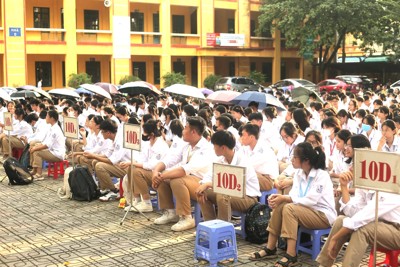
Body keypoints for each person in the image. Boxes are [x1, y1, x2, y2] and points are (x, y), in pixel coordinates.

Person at [316, 135, 400, 267]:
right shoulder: (364, 183)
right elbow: (352, 211)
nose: (352, 168)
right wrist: (344, 186)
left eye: (358, 164)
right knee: (340, 221)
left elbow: (364, 216)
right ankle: (323, 264)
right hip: (377, 224)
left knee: (362, 229)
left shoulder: (387, 185)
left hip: (396, 230)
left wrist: (336, 237)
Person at [249, 142, 336, 266]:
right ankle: (271, 247)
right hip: (305, 210)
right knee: (281, 205)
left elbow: (311, 200)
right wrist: (281, 198)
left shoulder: (321, 175)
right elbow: (294, 195)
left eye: (295, 157)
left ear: (306, 160)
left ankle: (291, 254)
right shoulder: (299, 174)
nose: (292, 160)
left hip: (323, 215)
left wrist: (285, 197)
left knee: (289, 207)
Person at [151, 116, 214, 231]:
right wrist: (156, 171)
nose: (182, 131)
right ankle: (170, 212)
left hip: (202, 183)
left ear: (193, 132)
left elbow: (185, 169)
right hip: (188, 178)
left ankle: (187, 217)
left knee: (175, 180)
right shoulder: (186, 145)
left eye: (185, 128)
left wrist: (161, 176)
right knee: (165, 177)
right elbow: (170, 160)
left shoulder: (206, 149)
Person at [196, 130, 260, 221]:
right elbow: (208, 176)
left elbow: (233, 187)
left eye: (214, 146)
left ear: (223, 148)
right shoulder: (220, 160)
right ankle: (210, 225)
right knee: (202, 192)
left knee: (223, 196)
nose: (213, 148)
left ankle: (222, 230)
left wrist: (208, 184)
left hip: (248, 198)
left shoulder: (243, 161)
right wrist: (204, 185)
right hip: (229, 194)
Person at [126, 119, 169, 212]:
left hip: (160, 174)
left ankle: (147, 203)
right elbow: (142, 159)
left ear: (152, 134)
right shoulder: (149, 144)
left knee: (136, 171)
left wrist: (133, 163)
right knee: (131, 168)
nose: (144, 136)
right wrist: (133, 163)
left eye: (146, 134)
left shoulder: (160, 145)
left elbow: (152, 165)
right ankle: (136, 200)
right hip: (150, 172)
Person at [239, 123, 278, 191]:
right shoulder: (245, 147)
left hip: (267, 179)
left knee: (242, 175)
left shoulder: (264, 149)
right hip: (254, 174)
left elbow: (247, 166)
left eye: (243, 135)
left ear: (251, 137)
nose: (241, 138)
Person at [30, 110, 66, 180]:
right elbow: (45, 141)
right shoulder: (51, 127)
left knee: (37, 151)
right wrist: (36, 146)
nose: (45, 118)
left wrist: (36, 148)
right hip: (51, 150)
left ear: (52, 118)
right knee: (34, 146)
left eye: (47, 116)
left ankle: (39, 174)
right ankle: (34, 170)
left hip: (57, 154)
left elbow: (47, 145)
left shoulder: (55, 129)